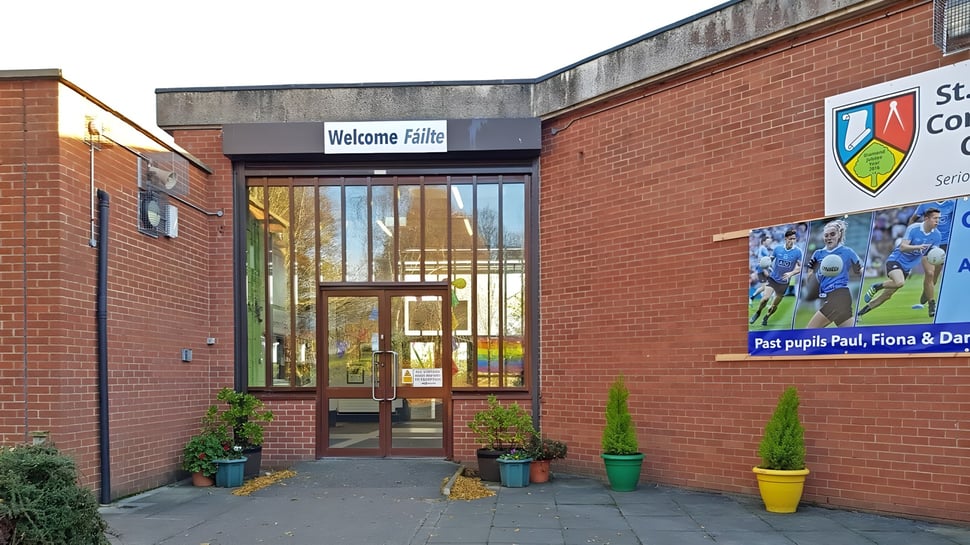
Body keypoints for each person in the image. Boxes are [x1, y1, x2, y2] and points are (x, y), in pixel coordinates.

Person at [858, 208, 942, 319]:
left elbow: (933, 254)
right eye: (935, 218)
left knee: (886, 296)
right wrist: (918, 247)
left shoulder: (937, 235)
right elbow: (903, 247)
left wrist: (938, 257)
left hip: (907, 267)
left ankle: (859, 314)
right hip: (896, 260)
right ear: (926, 218)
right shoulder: (913, 228)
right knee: (899, 282)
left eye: (939, 218)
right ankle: (876, 286)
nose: (937, 221)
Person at [803, 219, 863, 329]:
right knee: (850, 335)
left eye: (832, 234)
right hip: (827, 296)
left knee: (809, 331)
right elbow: (810, 273)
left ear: (839, 235)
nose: (829, 237)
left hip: (839, 296)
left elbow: (860, 270)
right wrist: (813, 279)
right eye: (826, 235)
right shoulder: (818, 254)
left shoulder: (847, 252)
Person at [908, 200, 954, 313]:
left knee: (935, 276)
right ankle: (931, 305)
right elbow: (913, 219)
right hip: (928, 241)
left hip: (945, 243)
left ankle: (927, 291)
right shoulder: (925, 204)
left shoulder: (952, 203)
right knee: (929, 273)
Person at [750, 229, 802, 326]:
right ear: (786, 239)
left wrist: (791, 273)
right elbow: (770, 259)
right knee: (765, 299)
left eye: (794, 239)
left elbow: (800, 267)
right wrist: (763, 261)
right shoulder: (777, 249)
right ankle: (758, 312)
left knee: (774, 306)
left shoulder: (798, 252)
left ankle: (767, 317)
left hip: (784, 283)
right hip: (773, 279)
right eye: (790, 239)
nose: (792, 241)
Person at [749, 234, 773, 307]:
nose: (769, 242)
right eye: (767, 241)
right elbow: (761, 259)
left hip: (763, 269)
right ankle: (764, 302)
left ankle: (752, 297)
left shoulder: (762, 248)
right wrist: (764, 269)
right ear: (763, 242)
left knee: (763, 287)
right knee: (766, 286)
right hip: (762, 270)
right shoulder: (763, 248)